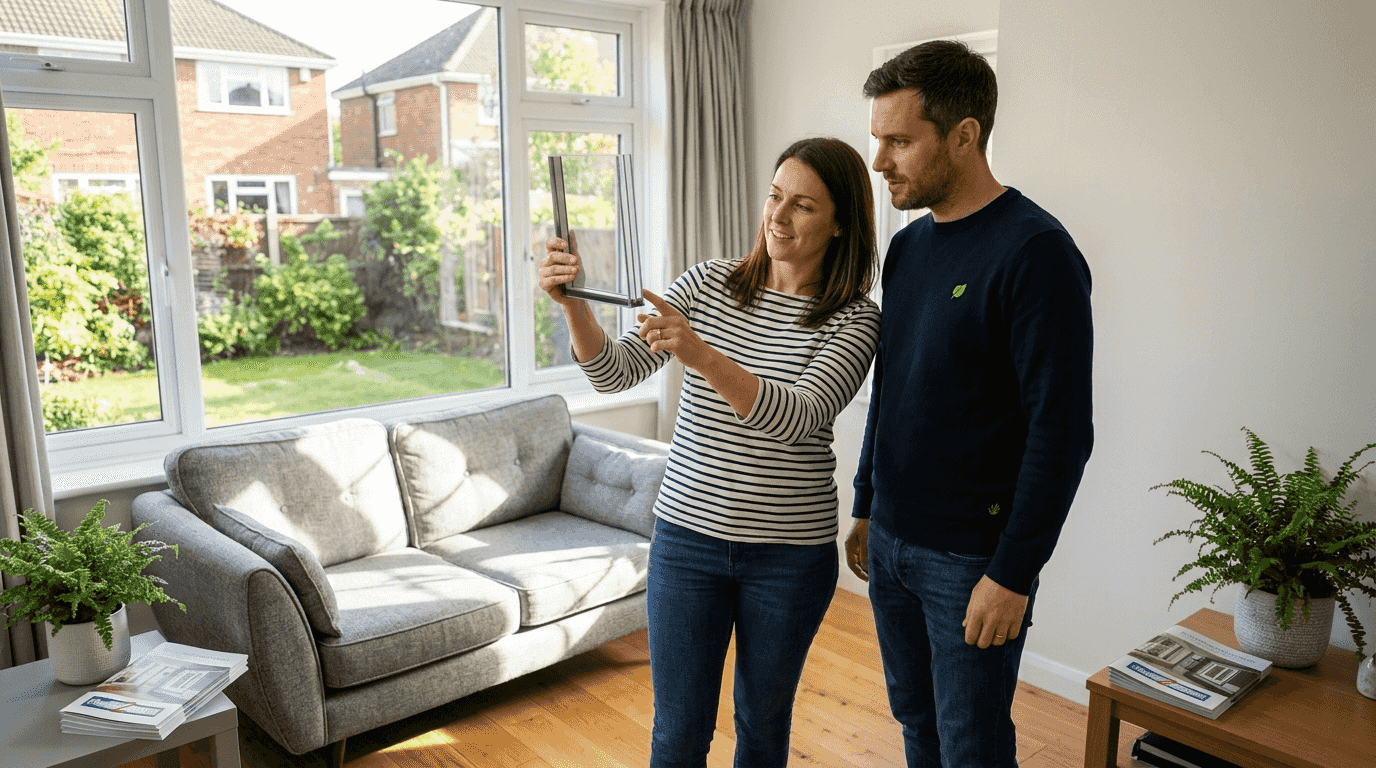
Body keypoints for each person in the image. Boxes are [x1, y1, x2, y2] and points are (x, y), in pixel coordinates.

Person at [539, 137, 880, 768]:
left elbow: (797, 416)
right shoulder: (707, 282)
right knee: (678, 730)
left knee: (762, 725)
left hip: (788, 557)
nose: (777, 216)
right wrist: (575, 305)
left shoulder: (855, 320)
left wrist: (698, 354)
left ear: (840, 224)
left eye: (803, 206)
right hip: (687, 543)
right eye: (775, 196)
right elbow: (613, 373)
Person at [846, 40, 1094, 768]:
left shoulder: (1036, 252)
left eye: (898, 140)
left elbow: (1062, 432)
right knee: (917, 726)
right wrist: (866, 503)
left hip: (971, 560)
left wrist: (1013, 572)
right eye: (876, 139)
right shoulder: (910, 249)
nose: (879, 160)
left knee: (972, 747)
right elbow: (891, 386)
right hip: (890, 540)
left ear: (965, 135)